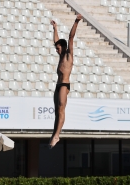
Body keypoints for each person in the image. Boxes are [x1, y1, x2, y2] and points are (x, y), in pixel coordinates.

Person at [49, 14, 83, 149]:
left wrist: (76, 22)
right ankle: (54, 134)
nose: (56, 50)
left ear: (63, 47)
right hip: (58, 85)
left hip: (64, 84)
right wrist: (55, 28)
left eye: (58, 48)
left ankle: (57, 135)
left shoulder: (68, 55)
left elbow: (70, 38)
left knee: (61, 110)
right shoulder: (61, 55)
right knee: (57, 111)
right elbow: (57, 41)